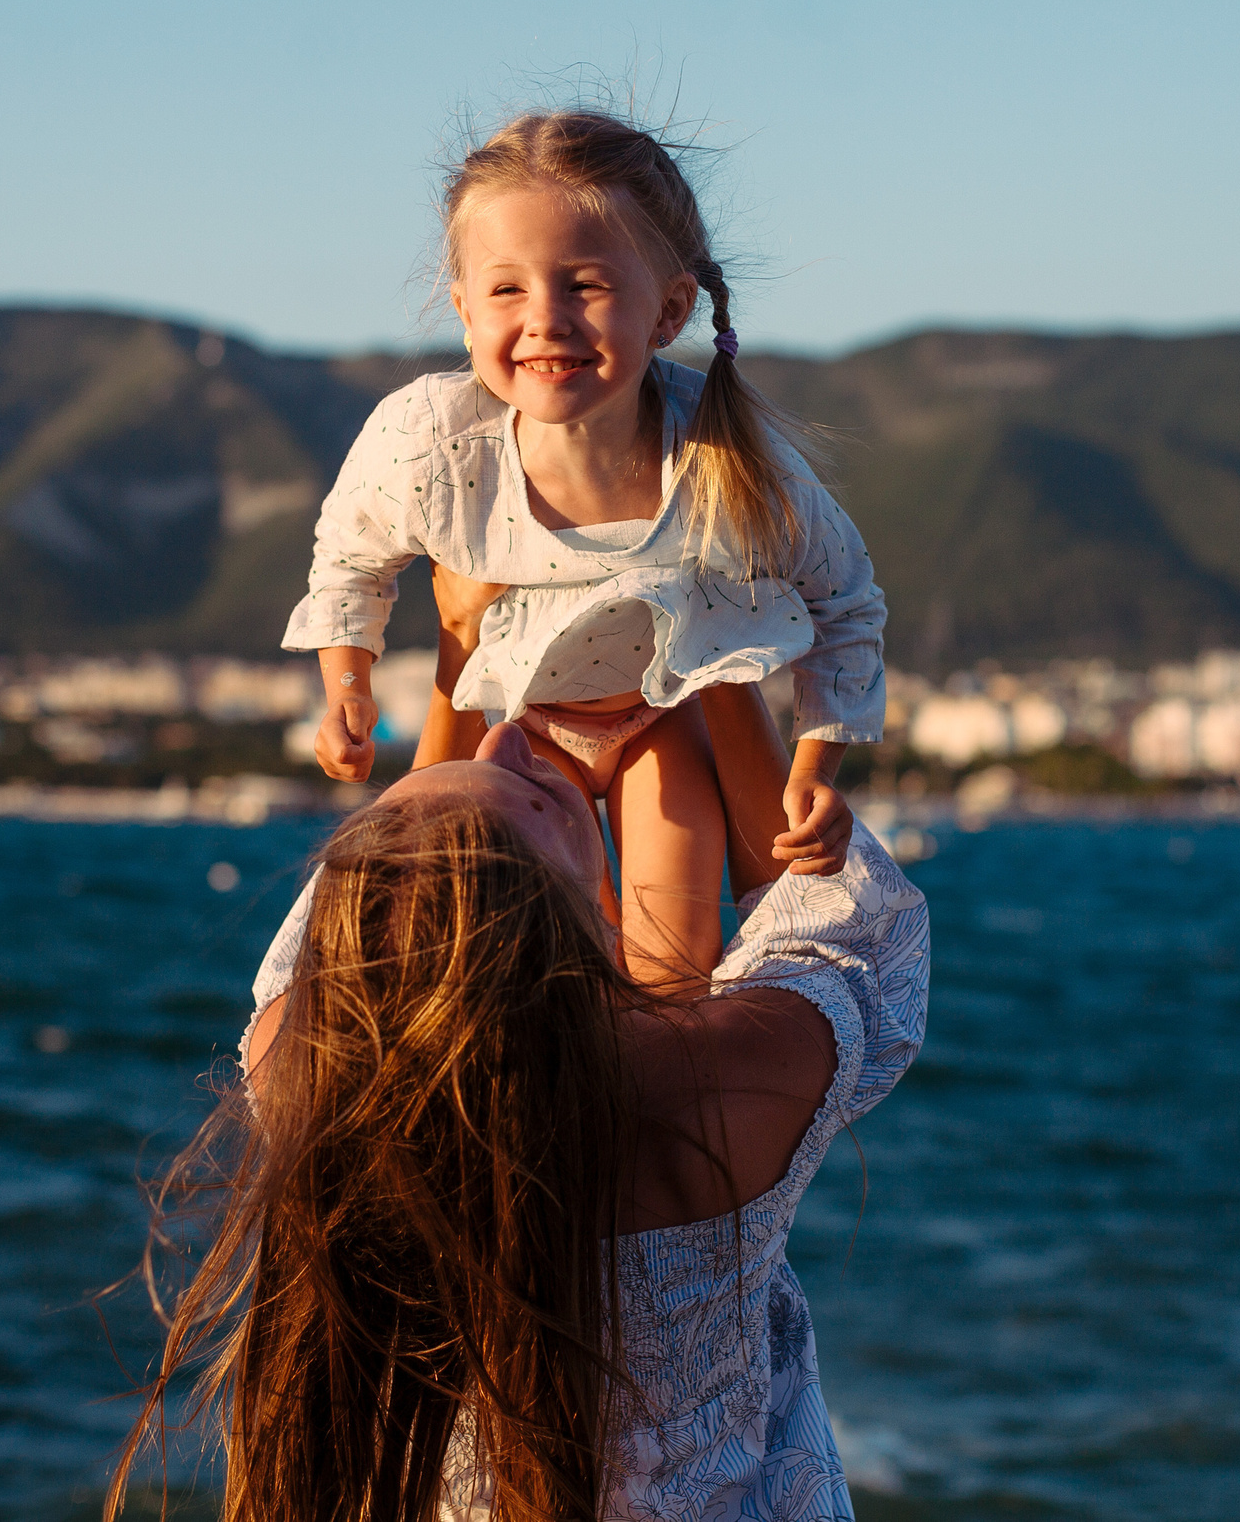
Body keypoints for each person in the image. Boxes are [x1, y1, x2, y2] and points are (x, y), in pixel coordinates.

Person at [106, 590, 930, 1521]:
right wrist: (718, 655)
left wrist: (465, 649)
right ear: (569, 945)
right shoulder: (709, 1093)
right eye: (538, 795)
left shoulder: (305, 1074)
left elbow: (387, 907)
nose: (504, 739)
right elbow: (847, 929)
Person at [282, 109, 889, 975]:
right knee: (532, 965)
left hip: (661, 723)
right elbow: (351, 555)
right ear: (462, 311)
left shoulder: (722, 458)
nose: (545, 319)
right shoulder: (433, 444)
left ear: (668, 307)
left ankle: (662, 1089)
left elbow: (846, 600)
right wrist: (346, 684)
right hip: (522, 735)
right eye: (507, 290)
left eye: (585, 285)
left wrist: (817, 763)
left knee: (673, 966)